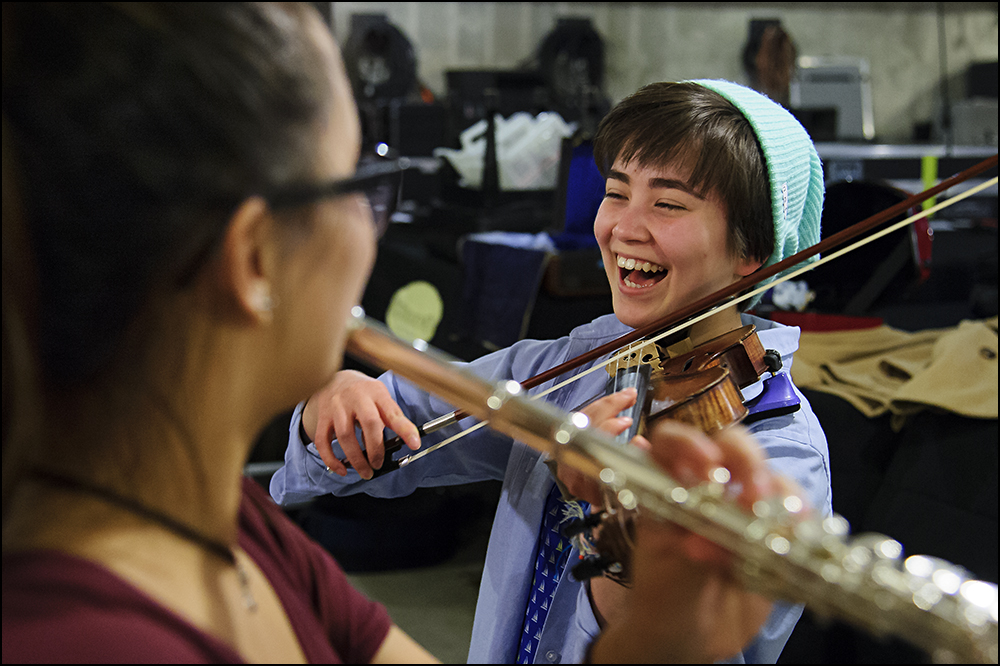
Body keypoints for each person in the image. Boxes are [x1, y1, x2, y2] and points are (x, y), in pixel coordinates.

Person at [2, 3, 799, 663]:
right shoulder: (86, 631)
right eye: (361, 181)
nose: (374, 229)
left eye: (668, 203)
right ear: (252, 259)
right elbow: (353, 456)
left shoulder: (250, 541)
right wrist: (333, 413)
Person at [271, 79, 832, 663]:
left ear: (752, 252)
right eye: (617, 193)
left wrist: (615, 538)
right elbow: (382, 442)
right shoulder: (569, 365)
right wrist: (333, 403)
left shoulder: (781, 453)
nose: (624, 228)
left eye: (668, 203)